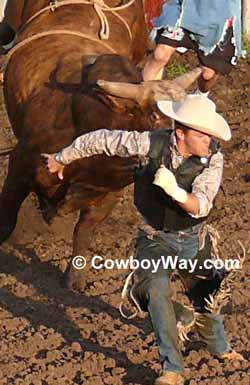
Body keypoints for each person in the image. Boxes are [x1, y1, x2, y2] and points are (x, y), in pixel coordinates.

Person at [43, 95, 244, 385]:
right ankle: (172, 368)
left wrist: (174, 190)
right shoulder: (151, 144)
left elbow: (201, 205)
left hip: (193, 239)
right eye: (203, 134)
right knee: (154, 292)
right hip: (154, 237)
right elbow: (103, 139)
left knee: (206, 300)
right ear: (181, 133)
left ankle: (219, 346)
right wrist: (63, 157)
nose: (209, 142)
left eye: (211, 135)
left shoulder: (214, 159)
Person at [142, 0, 242, 94]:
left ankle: (200, 96)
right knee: (160, 55)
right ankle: (142, 96)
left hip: (218, 19)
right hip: (185, 9)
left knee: (207, 75)